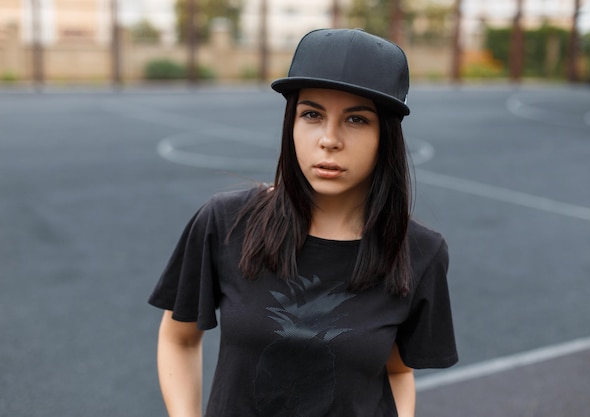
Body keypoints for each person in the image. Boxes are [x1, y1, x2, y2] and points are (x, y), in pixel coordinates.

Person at [149, 28, 458, 417]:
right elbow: (179, 338)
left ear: (387, 135)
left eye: (357, 119)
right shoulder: (226, 222)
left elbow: (397, 372)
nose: (329, 139)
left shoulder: (419, 253)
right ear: (291, 124)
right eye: (312, 114)